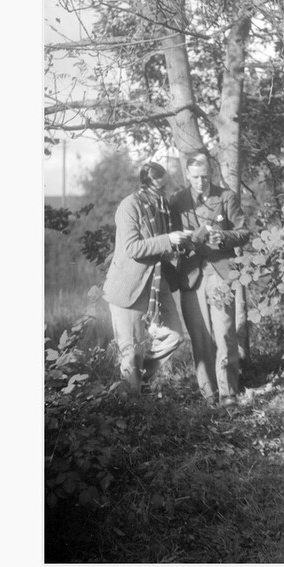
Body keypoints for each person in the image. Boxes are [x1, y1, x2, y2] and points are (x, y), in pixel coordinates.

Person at [102, 162, 192, 395]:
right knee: (130, 352)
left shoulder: (162, 206)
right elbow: (132, 248)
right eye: (160, 188)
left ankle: (139, 380)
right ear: (146, 183)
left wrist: (180, 242)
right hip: (128, 287)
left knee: (173, 336)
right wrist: (168, 239)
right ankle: (131, 407)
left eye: (165, 187)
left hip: (155, 281)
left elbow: (163, 243)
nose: (164, 193)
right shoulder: (129, 206)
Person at [169, 153, 250, 407]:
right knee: (199, 336)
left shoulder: (226, 197)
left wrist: (223, 237)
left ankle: (228, 394)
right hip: (191, 276)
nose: (200, 182)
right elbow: (169, 239)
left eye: (205, 177)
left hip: (221, 274)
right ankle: (209, 395)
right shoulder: (178, 201)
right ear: (187, 176)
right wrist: (180, 241)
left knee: (225, 333)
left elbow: (244, 231)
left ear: (211, 175)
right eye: (195, 178)